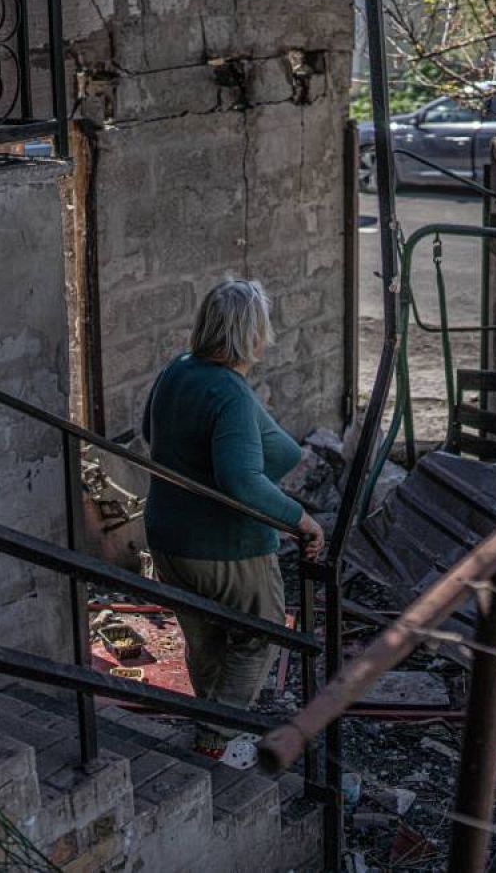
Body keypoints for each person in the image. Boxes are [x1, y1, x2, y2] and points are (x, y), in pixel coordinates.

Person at [141, 279, 325, 759]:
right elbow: (241, 481)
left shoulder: (177, 371)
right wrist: (301, 520)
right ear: (251, 334)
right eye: (263, 326)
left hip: (168, 536)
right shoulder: (230, 395)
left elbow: (150, 432)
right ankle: (214, 735)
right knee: (258, 635)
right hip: (225, 546)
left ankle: (209, 722)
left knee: (204, 637)